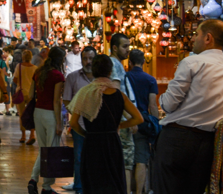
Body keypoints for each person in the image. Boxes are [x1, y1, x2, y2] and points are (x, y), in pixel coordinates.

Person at [153, 19, 223, 194]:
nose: (193, 39)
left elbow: (168, 104)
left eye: (197, 34)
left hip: (177, 139)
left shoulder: (192, 63)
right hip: (208, 142)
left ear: (208, 38)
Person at [68, 55, 144, 194]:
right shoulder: (119, 95)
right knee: (112, 180)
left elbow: (73, 123)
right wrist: (120, 126)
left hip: (92, 143)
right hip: (112, 142)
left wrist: (87, 134)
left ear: (94, 71)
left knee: (93, 183)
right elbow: (138, 118)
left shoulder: (85, 93)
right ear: (110, 72)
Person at [27, 46, 66, 194]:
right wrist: (59, 122)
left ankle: (33, 180)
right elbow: (57, 102)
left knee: (44, 150)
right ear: (59, 60)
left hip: (38, 113)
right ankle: (46, 187)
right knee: (52, 151)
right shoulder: (58, 76)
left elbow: (30, 95)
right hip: (50, 114)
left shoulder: (38, 72)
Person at [62, 46, 96, 194]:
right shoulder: (73, 78)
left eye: (91, 58)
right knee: (79, 158)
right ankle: (79, 187)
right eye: (85, 59)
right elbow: (66, 101)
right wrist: (78, 114)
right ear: (81, 60)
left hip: (98, 128)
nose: (88, 62)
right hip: (79, 125)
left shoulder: (102, 79)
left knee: (96, 158)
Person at [125, 49, 158, 194]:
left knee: (127, 161)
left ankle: (127, 190)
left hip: (127, 120)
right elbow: (152, 105)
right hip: (143, 122)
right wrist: (155, 124)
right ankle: (139, 192)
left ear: (129, 62)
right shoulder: (150, 79)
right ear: (144, 62)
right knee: (141, 159)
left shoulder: (125, 77)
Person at [108, 32, 136, 191]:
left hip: (121, 118)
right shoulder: (114, 64)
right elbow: (117, 93)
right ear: (114, 47)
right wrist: (129, 118)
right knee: (126, 160)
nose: (128, 50)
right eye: (124, 46)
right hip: (122, 119)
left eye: (128, 46)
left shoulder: (117, 64)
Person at [13, 49, 37, 144]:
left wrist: (20, 83)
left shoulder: (19, 66)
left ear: (23, 57)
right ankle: (32, 134)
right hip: (31, 94)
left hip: (21, 93)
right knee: (31, 114)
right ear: (31, 57)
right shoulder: (35, 68)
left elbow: (15, 79)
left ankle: (23, 136)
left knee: (22, 115)